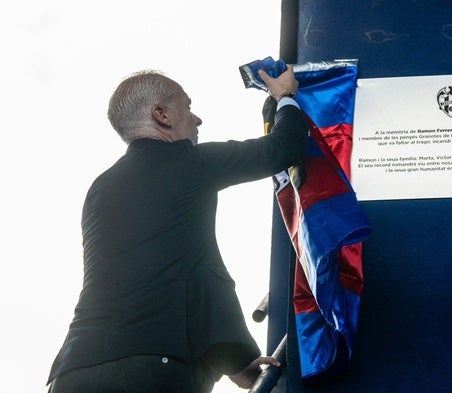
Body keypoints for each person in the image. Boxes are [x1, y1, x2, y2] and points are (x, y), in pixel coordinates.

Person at [47, 66, 308, 392]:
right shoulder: (190, 162)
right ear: (162, 115)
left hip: (73, 372)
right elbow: (285, 147)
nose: (197, 119)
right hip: (154, 368)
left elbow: (163, 274)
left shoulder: (100, 189)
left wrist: (233, 362)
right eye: (186, 106)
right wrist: (284, 96)